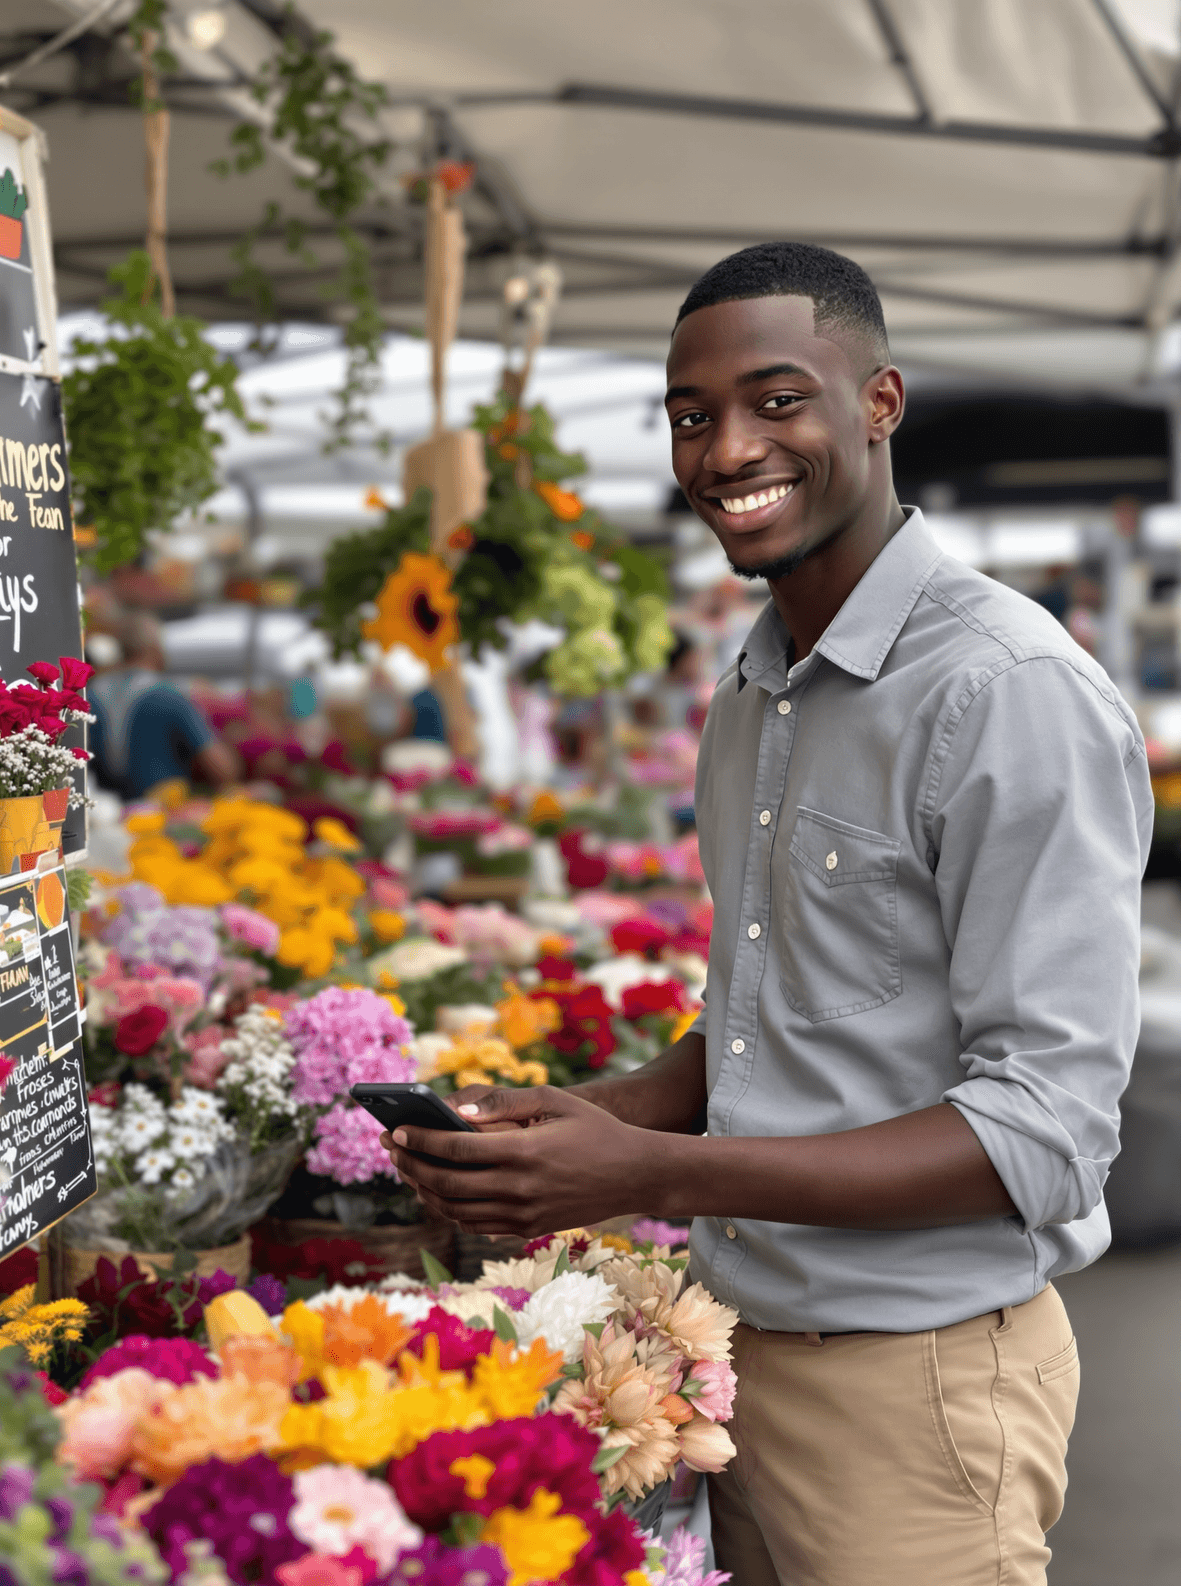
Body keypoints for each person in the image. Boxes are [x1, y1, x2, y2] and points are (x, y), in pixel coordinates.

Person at [384, 243, 1152, 1586]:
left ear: (881, 403)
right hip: (733, 1365)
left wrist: (652, 1176)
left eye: (777, 399)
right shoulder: (757, 688)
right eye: (692, 416)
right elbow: (770, 1026)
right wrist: (579, 1125)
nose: (727, 447)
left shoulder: (1006, 690)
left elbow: (1044, 1130)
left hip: (913, 1392)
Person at [88, 611, 239, 798]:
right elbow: (221, 767)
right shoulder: (169, 695)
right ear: (154, 648)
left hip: (103, 809)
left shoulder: (91, 694)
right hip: (161, 811)